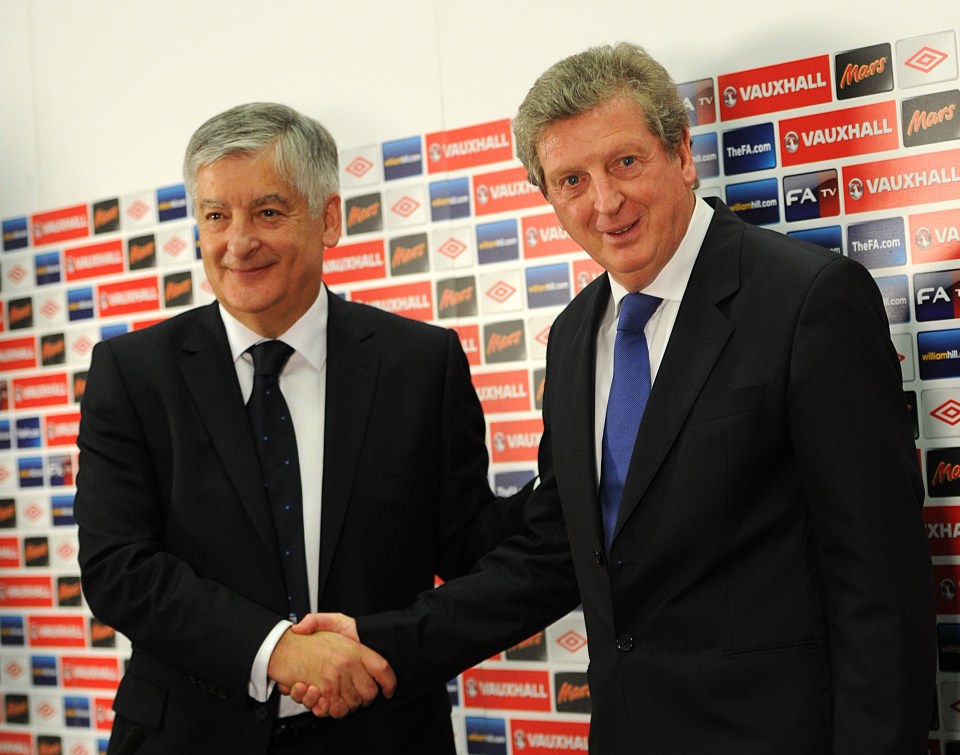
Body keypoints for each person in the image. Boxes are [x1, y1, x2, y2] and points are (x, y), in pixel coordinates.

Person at [292, 43, 937, 753]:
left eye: (625, 162)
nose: (604, 201)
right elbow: (558, 553)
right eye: (571, 178)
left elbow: (878, 582)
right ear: (548, 197)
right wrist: (384, 639)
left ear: (682, 155)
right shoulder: (573, 337)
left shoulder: (806, 299)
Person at [74, 102, 530, 754]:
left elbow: (466, 546)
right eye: (215, 215)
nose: (237, 241)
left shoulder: (419, 364)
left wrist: (581, 473)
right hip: (188, 736)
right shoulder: (131, 373)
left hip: (384, 735)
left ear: (330, 218)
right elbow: (117, 568)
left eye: (267, 211)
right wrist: (277, 650)